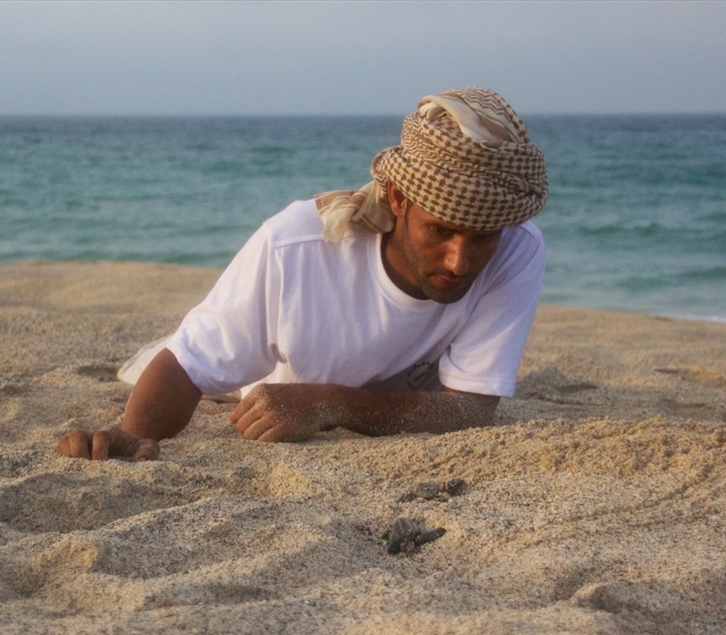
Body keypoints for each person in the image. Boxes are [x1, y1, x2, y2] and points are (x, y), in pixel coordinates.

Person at [55, 86, 548, 462]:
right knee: (188, 351)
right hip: (265, 378)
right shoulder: (297, 245)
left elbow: (469, 409)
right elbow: (189, 363)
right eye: (439, 231)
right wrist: (135, 437)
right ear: (398, 199)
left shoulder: (517, 249)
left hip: (333, 389)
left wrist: (330, 404)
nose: (460, 261)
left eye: (483, 238)